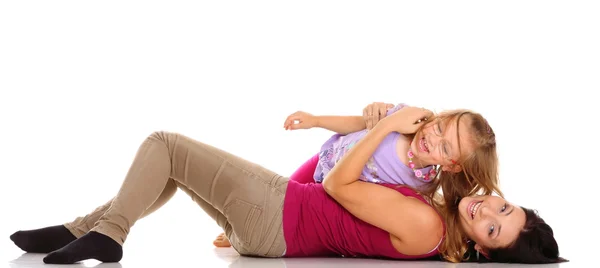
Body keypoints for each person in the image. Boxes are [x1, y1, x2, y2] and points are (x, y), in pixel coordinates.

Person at [9, 106, 565, 264]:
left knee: (164, 143)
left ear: (480, 250)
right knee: (173, 168)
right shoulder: (431, 207)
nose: (485, 211)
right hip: (277, 219)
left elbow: (342, 187)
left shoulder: (425, 227)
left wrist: (385, 126)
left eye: (493, 229)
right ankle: (76, 229)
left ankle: (108, 235)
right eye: (504, 207)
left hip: (278, 216)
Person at [215, 101, 502, 257]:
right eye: (439, 128)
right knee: (280, 196)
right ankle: (234, 231)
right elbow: (359, 123)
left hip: (334, 190)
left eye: (445, 148)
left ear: (451, 167)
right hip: (326, 159)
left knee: (293, 210)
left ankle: (238, 233)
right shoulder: (407, 122)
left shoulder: (422, 184)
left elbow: (377, 203)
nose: (432, 139)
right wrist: (316, 120)